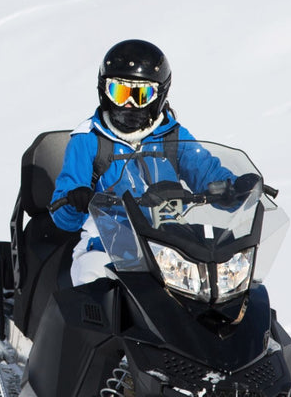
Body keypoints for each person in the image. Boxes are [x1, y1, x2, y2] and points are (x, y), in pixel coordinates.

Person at [49, 40, 233, 284]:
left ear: (159, 95)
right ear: (104, 92)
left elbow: (206, 171)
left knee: (220, 282)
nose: (128, 104)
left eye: (140, 95)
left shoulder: (172, 136)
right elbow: (63, 214)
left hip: (169, 245)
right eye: (120, 92)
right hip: (107, 246)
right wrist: (76, 199)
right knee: (93, 282)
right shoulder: (88, 139)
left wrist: (235, 187)